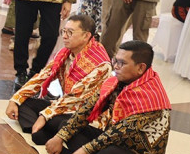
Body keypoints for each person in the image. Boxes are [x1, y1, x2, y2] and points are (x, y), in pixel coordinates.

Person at [45, 40, 171, 154]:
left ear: (141, 68)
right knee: (64, 124)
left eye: (122, 63)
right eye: (115, 61)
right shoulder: (117, 81)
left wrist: (82, 151)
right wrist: (59, 137)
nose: (115, 66)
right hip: (113, 142)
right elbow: (86, 110)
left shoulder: (151, 97)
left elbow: (117, 133)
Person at [7, 14, 112, 143]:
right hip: (64, 108)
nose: (65, 36)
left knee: (61, 122)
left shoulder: (100, 64)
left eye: (70, 32)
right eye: (64, 31)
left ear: (86, 36)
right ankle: (41, 131)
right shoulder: (65, 53)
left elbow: (75, 97)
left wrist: (45, 115)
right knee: (23, 103)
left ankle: (43, 131)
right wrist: (16, 99)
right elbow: (42, 77)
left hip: (85, 117)